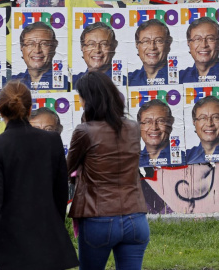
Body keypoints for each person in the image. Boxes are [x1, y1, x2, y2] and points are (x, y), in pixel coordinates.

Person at [0, 81, 79, 270]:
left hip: (10, 247)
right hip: (48, 241)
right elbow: (60, 192)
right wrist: (54, 225)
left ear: (0, 112)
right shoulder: (52, 140)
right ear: (30, 108)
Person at [67, 71, 149, 269]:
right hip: (136, 218)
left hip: (98, 218)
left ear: (89, 100)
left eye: (82, 99)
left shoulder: (84, 131)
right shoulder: (133, 128)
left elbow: (67, 169)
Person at [12, 22, 67, 90]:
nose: (37, 50)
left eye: (44, 44)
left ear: (54, 47)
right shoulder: (10, 83)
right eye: (30, 44)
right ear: (21, 47)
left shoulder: (68, 84)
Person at [137, 99, 184, 167]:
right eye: (147, 122)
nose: (154, 127)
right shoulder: (132, 162)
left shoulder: (186, 159)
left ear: (170, 123)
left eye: (160, 121)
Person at [129, 19, 173, 86]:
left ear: (168, 44)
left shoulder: (181, 78)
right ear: (137, 45)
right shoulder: (128, 81)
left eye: (158, 41)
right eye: (145, 41)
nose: (152, 47)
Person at [186, 96, 219, 164]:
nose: (209, 124)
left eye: (216, 117)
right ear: (194, 122)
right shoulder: (185, 157)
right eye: (203, 118)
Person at [180, 17, 219, 83]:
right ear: (189, 43)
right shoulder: (179, 78)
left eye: (210, 39)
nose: (203, 45)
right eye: (197, 39)